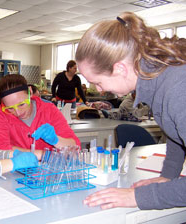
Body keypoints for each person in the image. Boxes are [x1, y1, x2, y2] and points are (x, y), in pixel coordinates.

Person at [75, 11, 186, 210]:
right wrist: (168, 176)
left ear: (120, 69)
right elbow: (176, 134)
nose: (99, 90)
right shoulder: (159, 79)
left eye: (97, 82)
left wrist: (138, 197)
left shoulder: (178, 88)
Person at [0, 74, 80, 151]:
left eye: (21, 104)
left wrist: (56, 140)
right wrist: (40, 155)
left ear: (30, 92)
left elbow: (76, 146)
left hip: (48, 170)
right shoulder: (1, 113)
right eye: (10, 108)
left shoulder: (49, 110)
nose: (18, 112)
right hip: (16, 170)